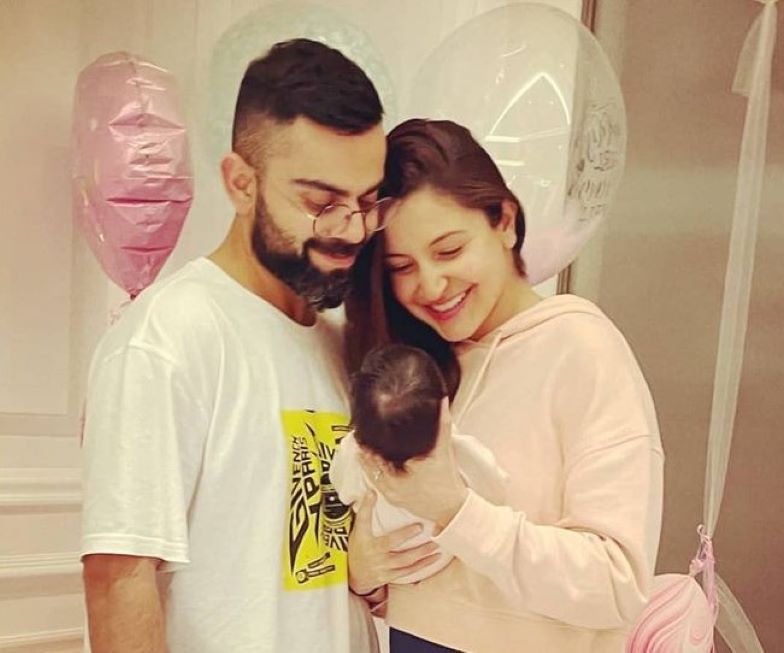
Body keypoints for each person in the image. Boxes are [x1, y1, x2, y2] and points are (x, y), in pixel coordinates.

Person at [80, 39, 434, 653]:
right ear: (241, 183)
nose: (351, 230)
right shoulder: (167, 339)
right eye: (321, 203)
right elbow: (118, 580)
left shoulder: (341, 343)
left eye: (366, 202)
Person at [345, 119, 665, 653]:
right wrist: (366, 573)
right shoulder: (418, 369)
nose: (430, 285)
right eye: (402, 266)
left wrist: (458, 512)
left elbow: (616, 584)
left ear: (505, 222)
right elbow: (429, 583)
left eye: (449, 250)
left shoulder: (581, 349)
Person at [330, 343, 508, 584]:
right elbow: (495, 487)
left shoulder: (354, 453)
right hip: (437, 557)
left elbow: (343, 490)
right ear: (443, 410)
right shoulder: (456, 451)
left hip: (385, 565)